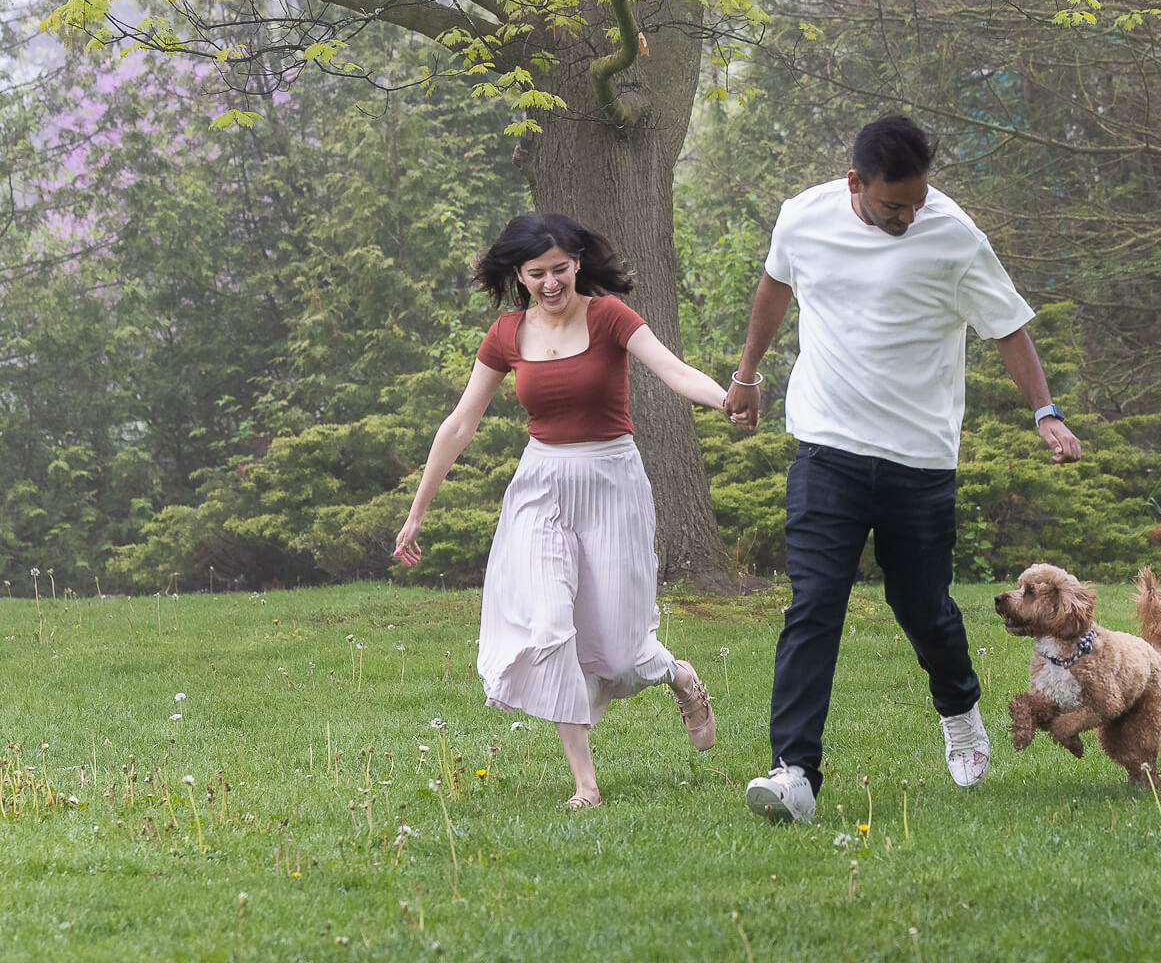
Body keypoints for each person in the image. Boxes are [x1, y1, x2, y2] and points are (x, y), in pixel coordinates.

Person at [728, 115, 1083, 823]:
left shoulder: (954, 235)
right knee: (814, 605)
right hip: (826, 446)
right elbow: (774, 287)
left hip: (919, 457)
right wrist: (746, 374)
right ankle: (794, 772)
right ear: (854, 183)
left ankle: (959, 707)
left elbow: (1007, 326)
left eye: (917, 201)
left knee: (921, 607)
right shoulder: (803, 218)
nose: (908, 216)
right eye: (894, 206)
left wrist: (1045, 411)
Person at [394, 212, 740, 810]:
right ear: (518, 275)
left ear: (578, 263)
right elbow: (460, 424)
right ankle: (586, 785)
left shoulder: (609, 317)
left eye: (560, 269)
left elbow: (674, 370)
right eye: (537, 273)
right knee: (550, 627)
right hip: (541, 488)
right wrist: (417, 512)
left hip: (612, 484)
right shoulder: (507, 334)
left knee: (622, 654)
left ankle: (678, 675)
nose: (550, 282)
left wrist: (727, 400)